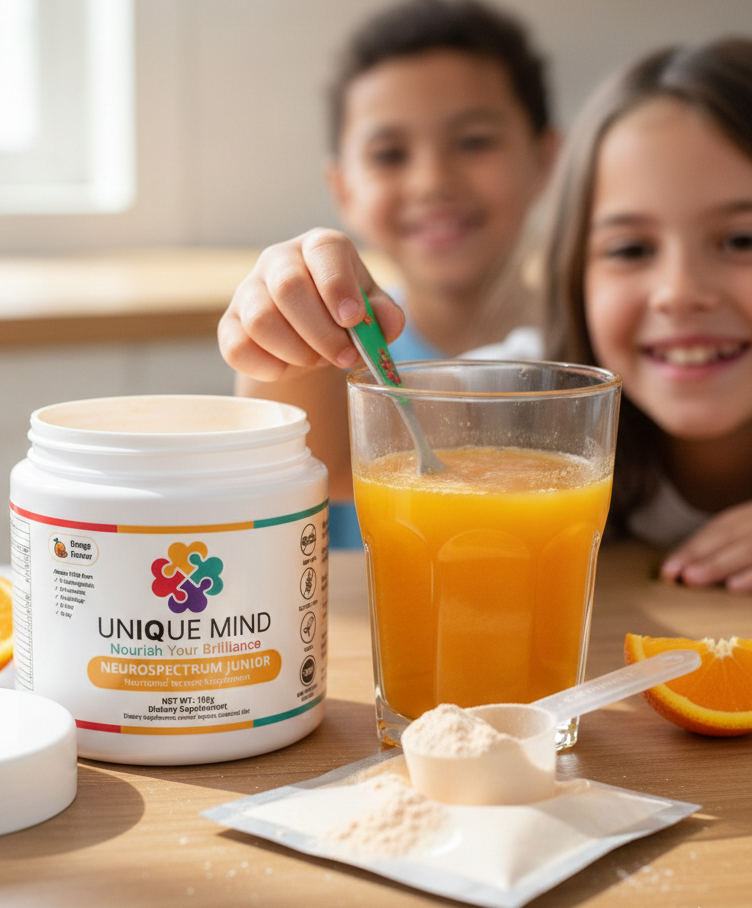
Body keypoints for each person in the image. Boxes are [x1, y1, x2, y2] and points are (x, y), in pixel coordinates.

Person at [219, 0, 558, 546]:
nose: (432, 181)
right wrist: (286, 311)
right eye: (389, 154)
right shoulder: (331, 355)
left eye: (473, 142)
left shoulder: (606, 349)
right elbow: (279, 469)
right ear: (343, 189)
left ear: (545, 158)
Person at [525, 37, 752, 593]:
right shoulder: (534, 393)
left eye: (742, 240)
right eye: (631, 249)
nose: (679, 293)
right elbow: (338, 461)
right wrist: (314, 293)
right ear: (575, 275)